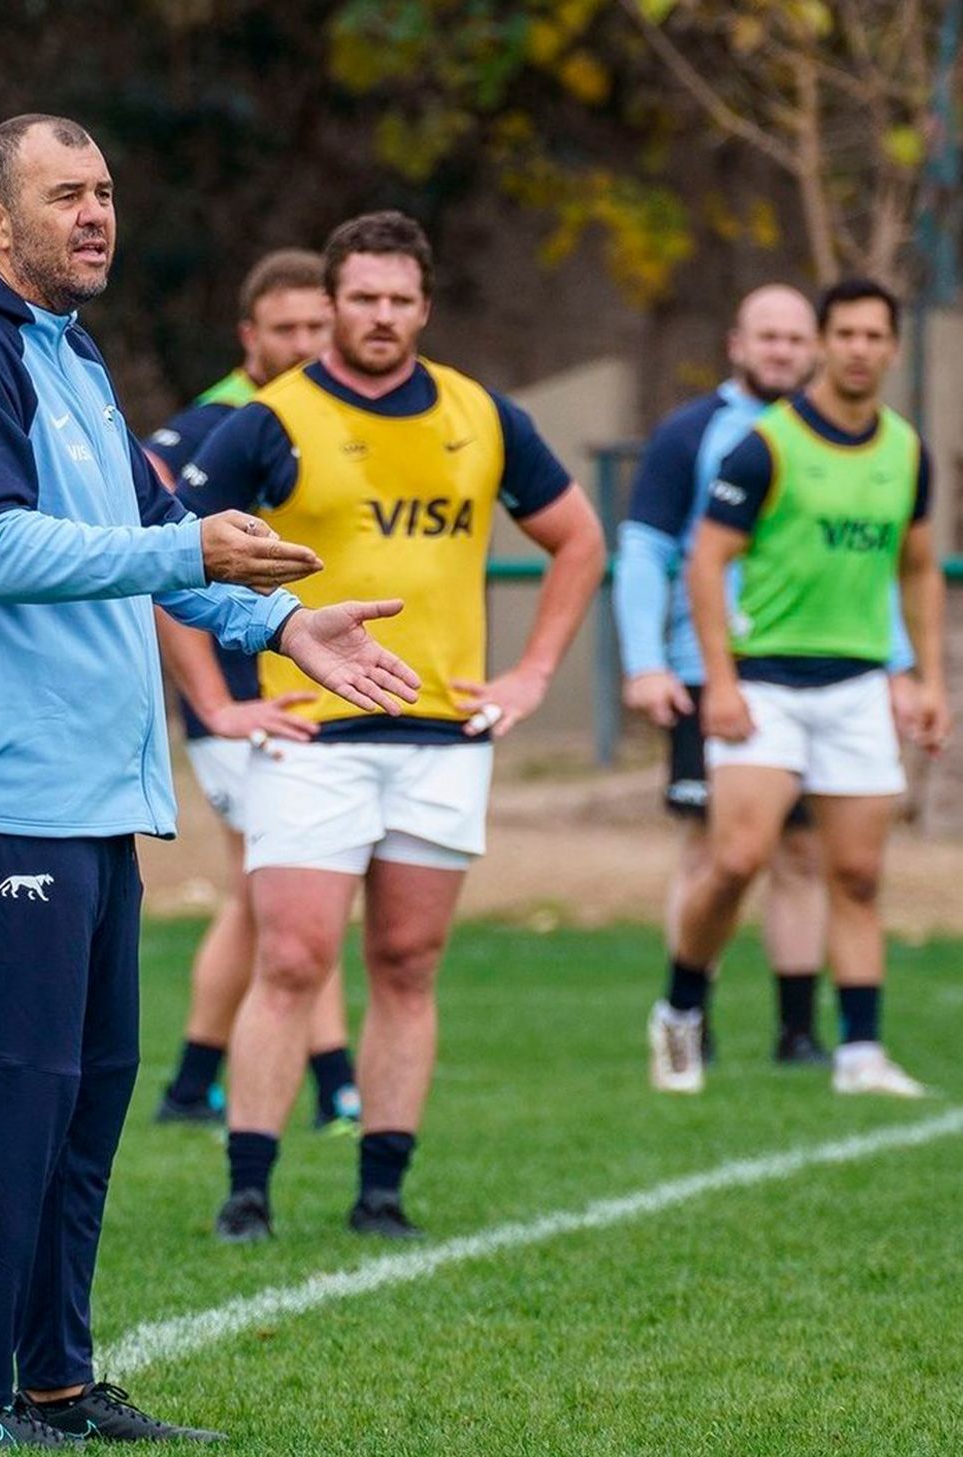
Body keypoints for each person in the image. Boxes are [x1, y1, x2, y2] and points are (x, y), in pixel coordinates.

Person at [0, 114, 420, 1447]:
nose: (95, 214)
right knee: (8, 1104)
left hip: (95, 794)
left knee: (89, 1093)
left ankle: (57, 1383)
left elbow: (162, 544)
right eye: (65, 195)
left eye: (105, 190)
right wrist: (190, 560)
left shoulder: (66, 351)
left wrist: (286, 626)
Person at [176, 210, 607, 1243]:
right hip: (314, 731)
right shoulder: (269, 419)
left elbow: (579, 539)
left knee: (409, 961)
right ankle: (248, 1189)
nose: (380, 315)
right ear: (331, 303)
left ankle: (381, 1190)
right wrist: (216, 701)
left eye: (399, 299)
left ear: (425, 304)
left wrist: (535, 670)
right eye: (362, 297)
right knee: (294, 956)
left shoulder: (483, 414)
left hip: (442, 735)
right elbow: (165, 557)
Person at [658, 277, 950, 1098]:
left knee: (856, 874)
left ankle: (859, 1052)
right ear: (824, 342)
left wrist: (926, 678)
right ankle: (680, 1007)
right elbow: (705, 560)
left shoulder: (906, 450)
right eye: (846, 334)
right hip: (765, 682)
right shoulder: (766, 445)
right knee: (738, 860)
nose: (860, 349)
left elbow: (920, 567)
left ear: (892, 347)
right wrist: (718, 679)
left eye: (874, 335)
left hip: (857, 685)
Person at [145, 249, 359, 1130]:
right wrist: (211, 703)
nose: (306, 344)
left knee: (271, 885)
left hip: (312, 685)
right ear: (249, 336)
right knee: (294, 879)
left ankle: (194, 1081)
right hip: (244, 700)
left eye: (319, 326)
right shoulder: (206, 431)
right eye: (287, 330)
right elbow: (151, 573)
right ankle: (335, 1080)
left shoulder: (338, 417)